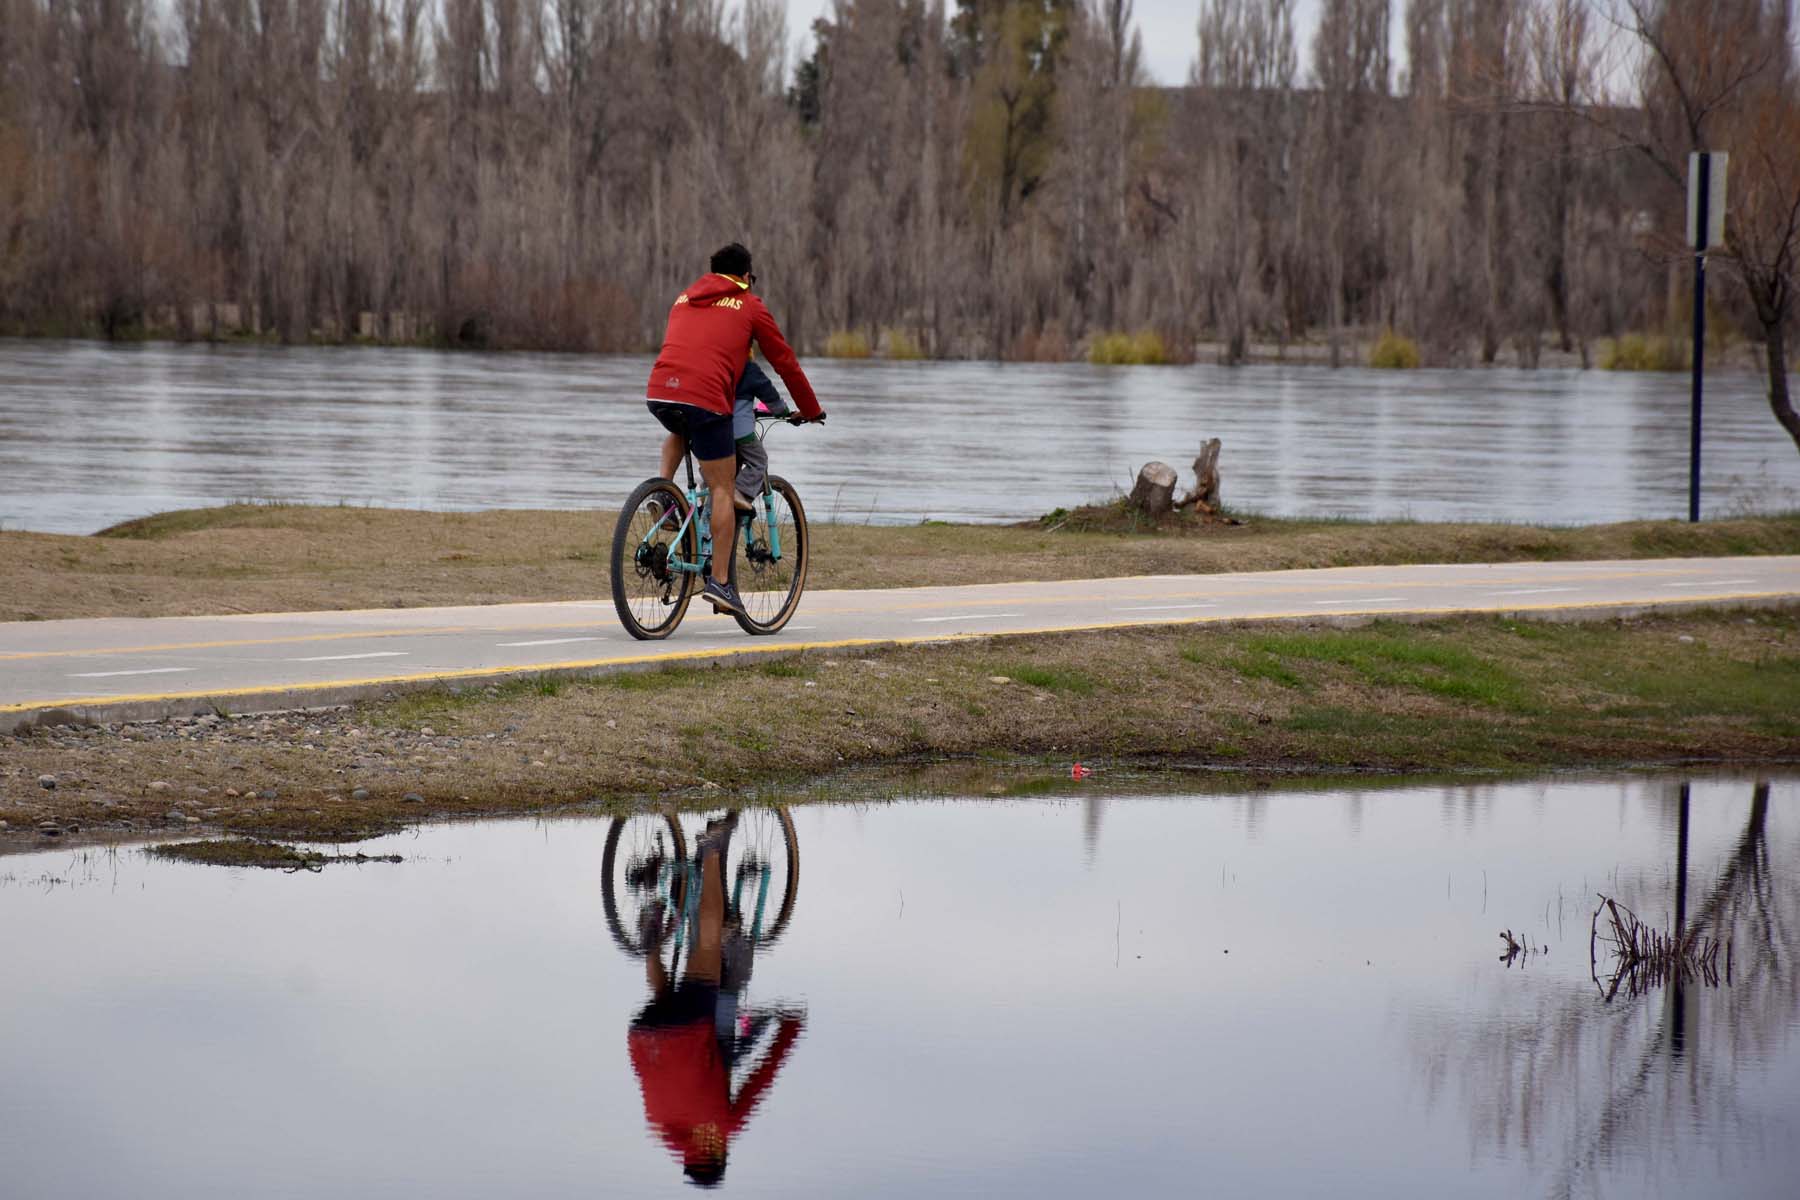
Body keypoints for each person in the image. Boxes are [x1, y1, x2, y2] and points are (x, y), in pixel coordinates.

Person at [645, 243, 824, 617]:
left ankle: (663, 493)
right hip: (708, 398)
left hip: (660, 391)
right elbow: (784, 361)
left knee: (680, 428)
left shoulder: (683, 298)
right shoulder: (749, 305)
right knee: (723, 486)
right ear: (745, 277)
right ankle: (722, 583)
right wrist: (810, 409)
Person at [627, 818, 805, 1188]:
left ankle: (710, 852)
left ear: (719, 1153)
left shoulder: (723, 1128)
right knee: (665, 1008)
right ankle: (650, 946)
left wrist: (789, 1032)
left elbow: (761, 1078)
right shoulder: (662, 1132)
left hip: (692, 1029)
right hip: (645, 1037)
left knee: (707, 945)